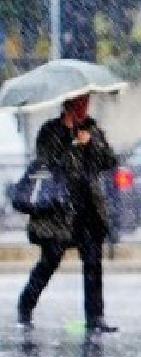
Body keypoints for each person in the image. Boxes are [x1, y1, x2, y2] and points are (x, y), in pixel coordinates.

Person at [17, 94, 119, 333]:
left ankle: (95, 317)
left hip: (88, 207)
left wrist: (90, 143)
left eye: (86, 102)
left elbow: (109, 160)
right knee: (50, 260)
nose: (84, 107)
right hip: (58, 210)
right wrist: (69, 139)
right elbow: (47, 160)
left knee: (93, 263)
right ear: (68, 104)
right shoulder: (50, 130)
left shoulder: (92, 129)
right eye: (79, 103)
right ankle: (26, 303)